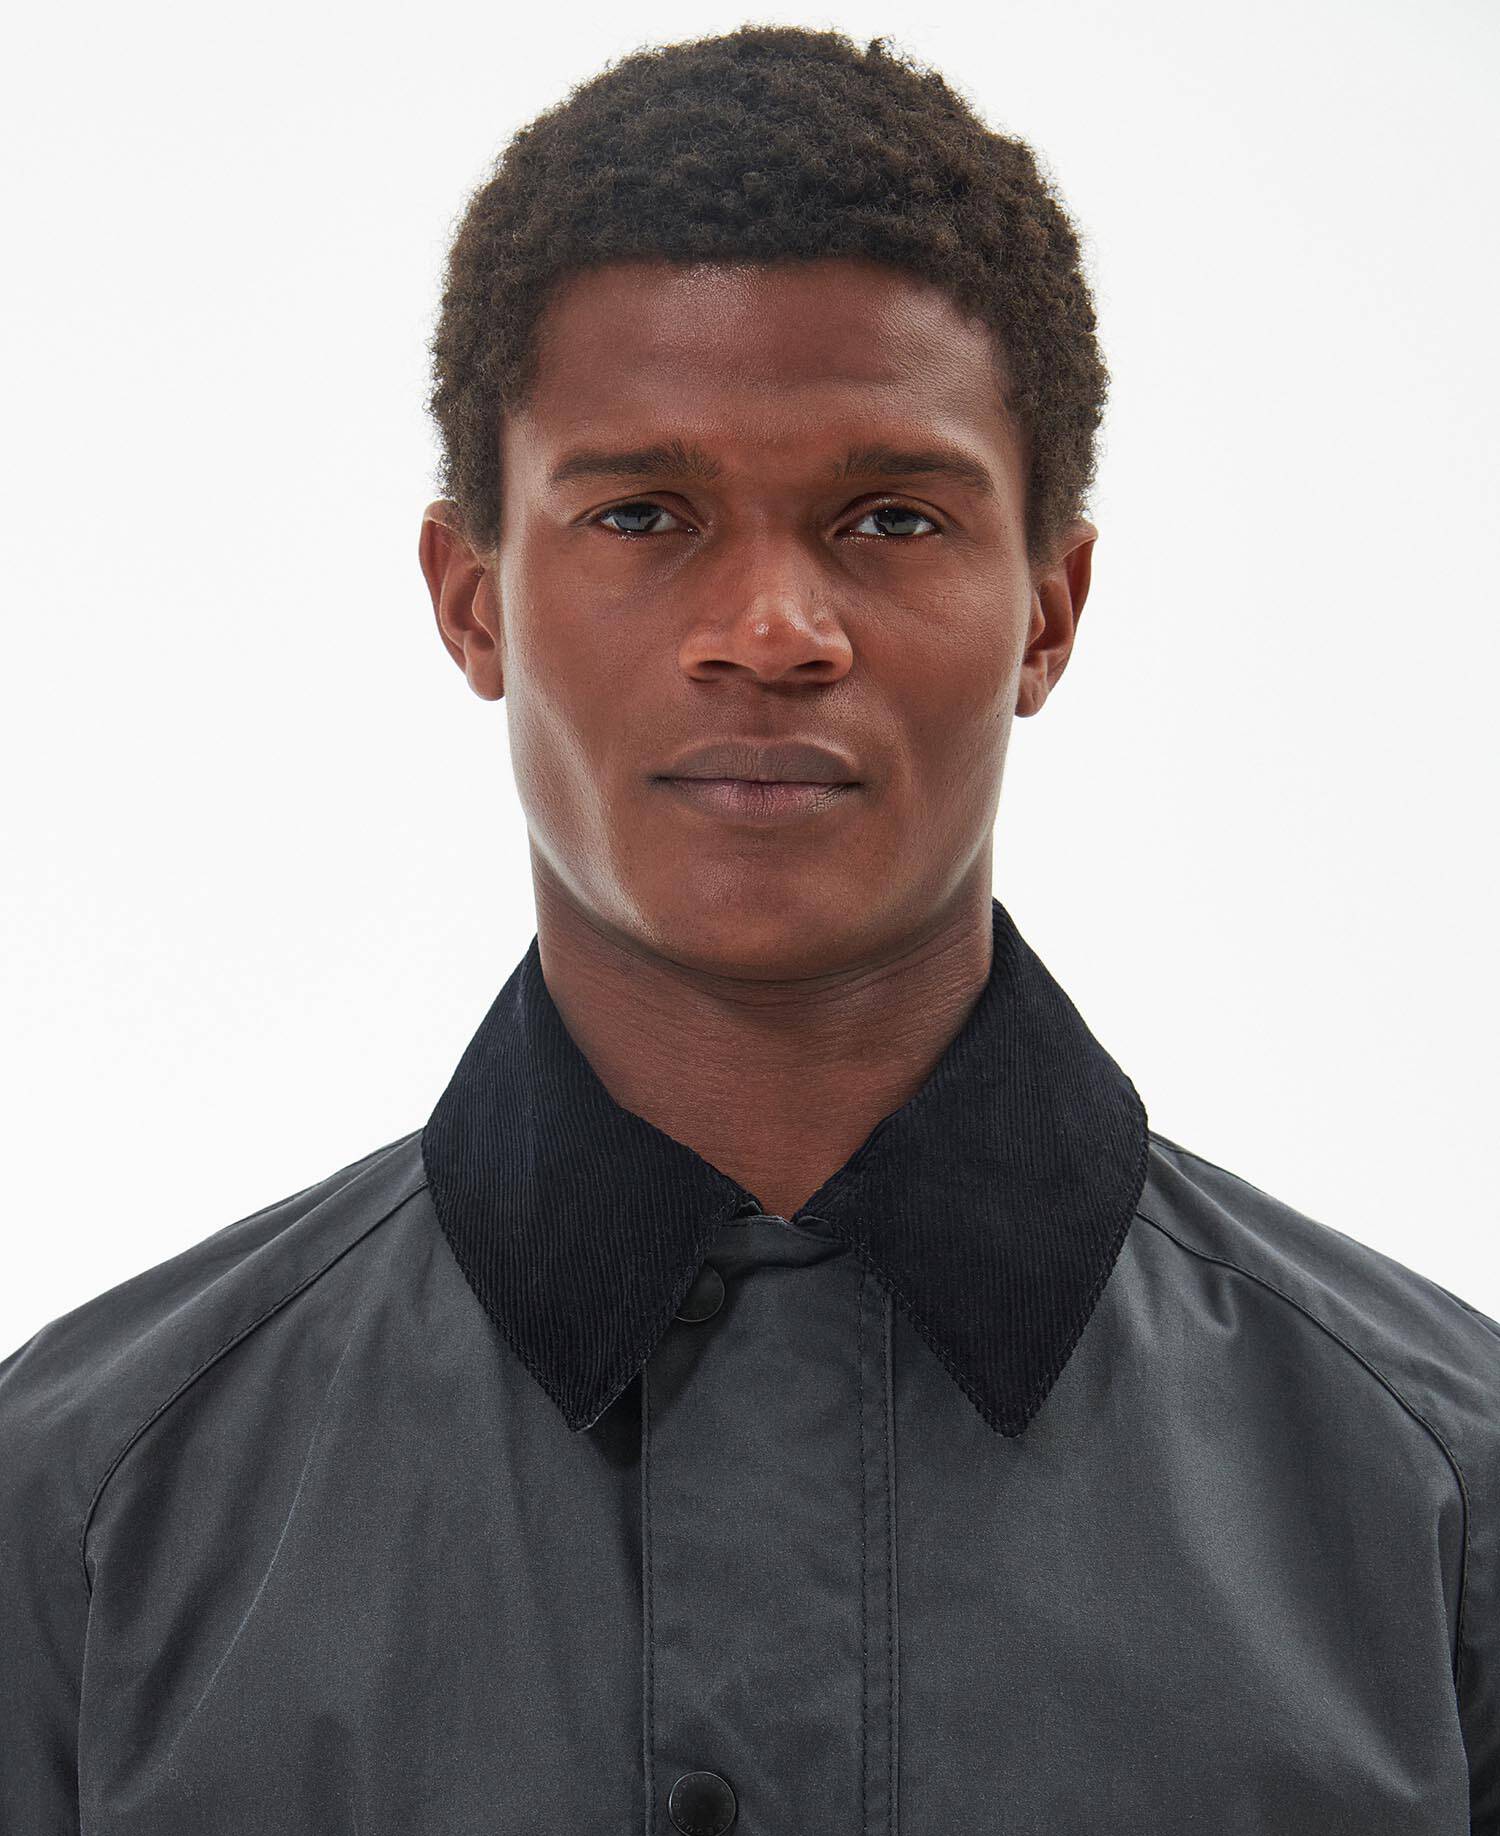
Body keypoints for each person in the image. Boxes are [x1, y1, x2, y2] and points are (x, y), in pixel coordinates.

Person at [2, 23, 1495, 1833]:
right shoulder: (81, 1510)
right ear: (475, 603)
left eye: (891, 517)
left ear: (1049, 608)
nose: (775, 631)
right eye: (644, 513)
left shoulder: (1443, 1502)